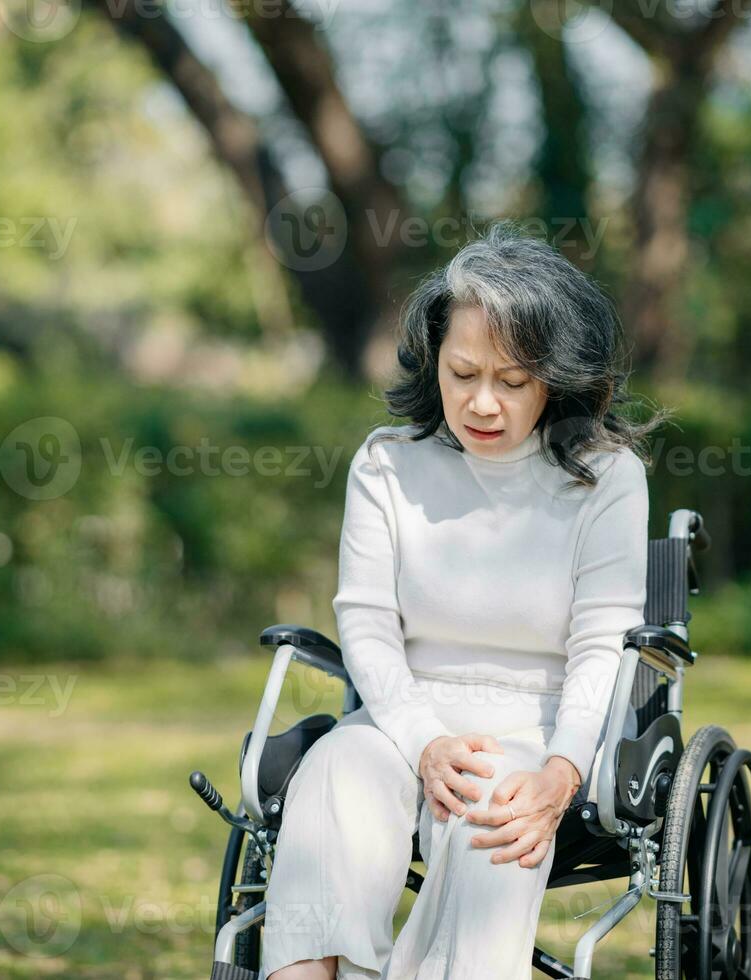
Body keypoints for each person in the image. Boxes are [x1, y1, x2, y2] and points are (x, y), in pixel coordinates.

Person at [260, 223, 667, 980]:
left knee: (496, 813)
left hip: (538, 730)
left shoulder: (605, 479)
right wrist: (422, 740)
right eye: (462, 373)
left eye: (513, 381)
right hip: (400, 720)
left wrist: (559, 773)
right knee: (335, 768)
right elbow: (369, 625)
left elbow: (601, 644)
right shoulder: (387, 464)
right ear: (434, 362)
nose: (483, 402)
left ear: (555, 377)